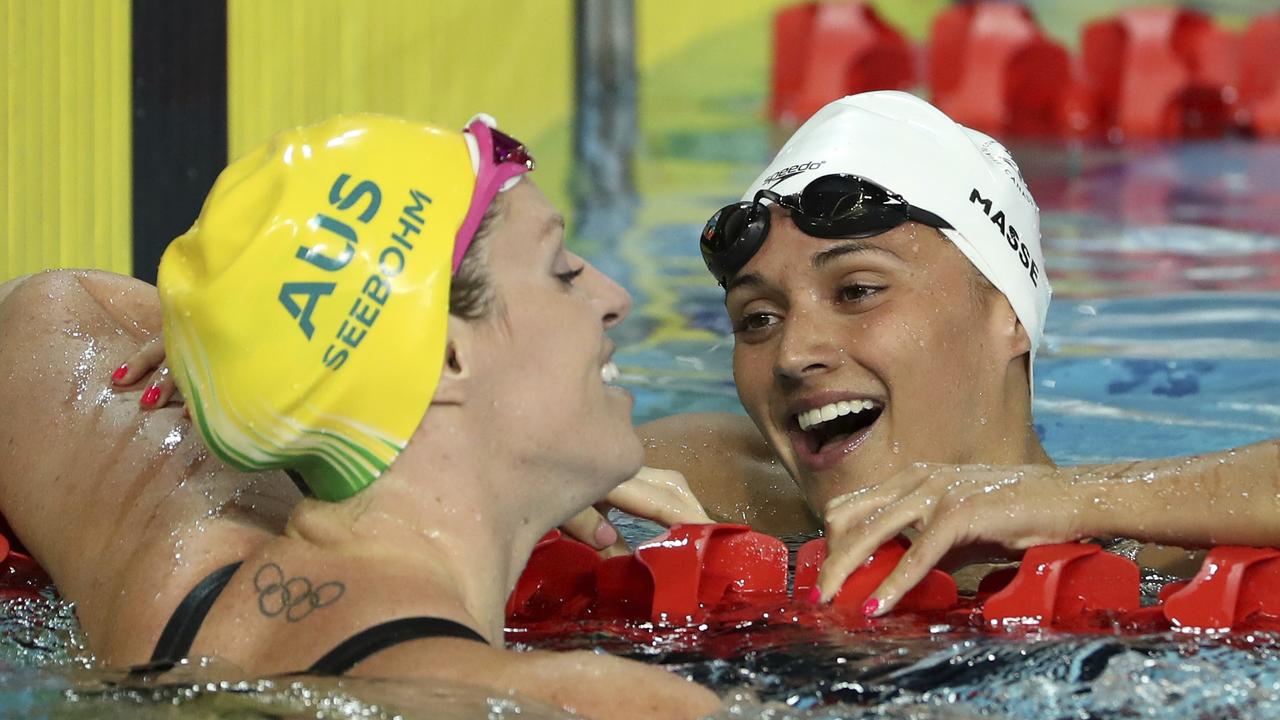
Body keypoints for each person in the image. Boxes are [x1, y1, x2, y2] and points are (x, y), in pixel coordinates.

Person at [0, 114, 718, 718]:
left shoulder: (167, 585)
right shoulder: (591, 702)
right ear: (447, 359)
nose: (614, 295)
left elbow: (50, 308)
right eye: (563, 271)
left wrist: (255, 363)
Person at [640, 90, 1280, 616]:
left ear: (1009, 315)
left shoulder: (1171, 568)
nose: (791, 355)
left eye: (858, 290)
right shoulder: (713, 490)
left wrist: (1072, 498)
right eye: (757, 319)